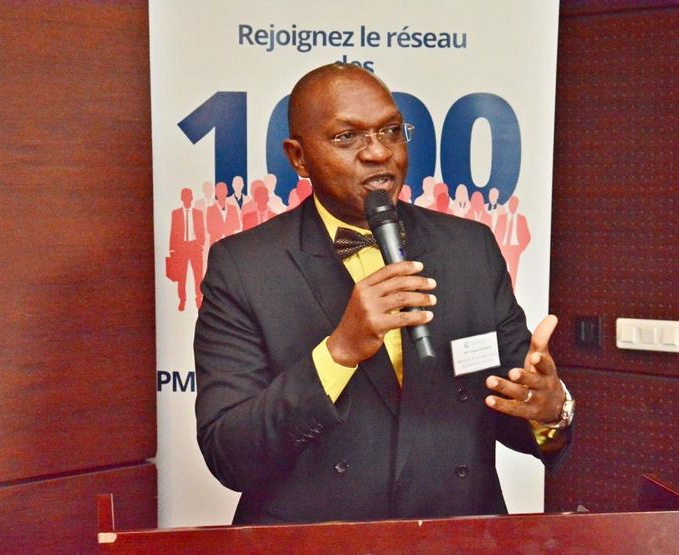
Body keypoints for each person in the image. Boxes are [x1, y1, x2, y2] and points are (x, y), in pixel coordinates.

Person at [195, 63, 574, 525]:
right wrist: (339, 352)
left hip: (454, 535)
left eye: (391, 130)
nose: (378, 152)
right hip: (315, 540)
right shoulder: (244, 266)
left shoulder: (470, 247)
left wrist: (548, 414)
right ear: (298, 157)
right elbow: (228, 454)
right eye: (347, 137)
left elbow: (515, 407)